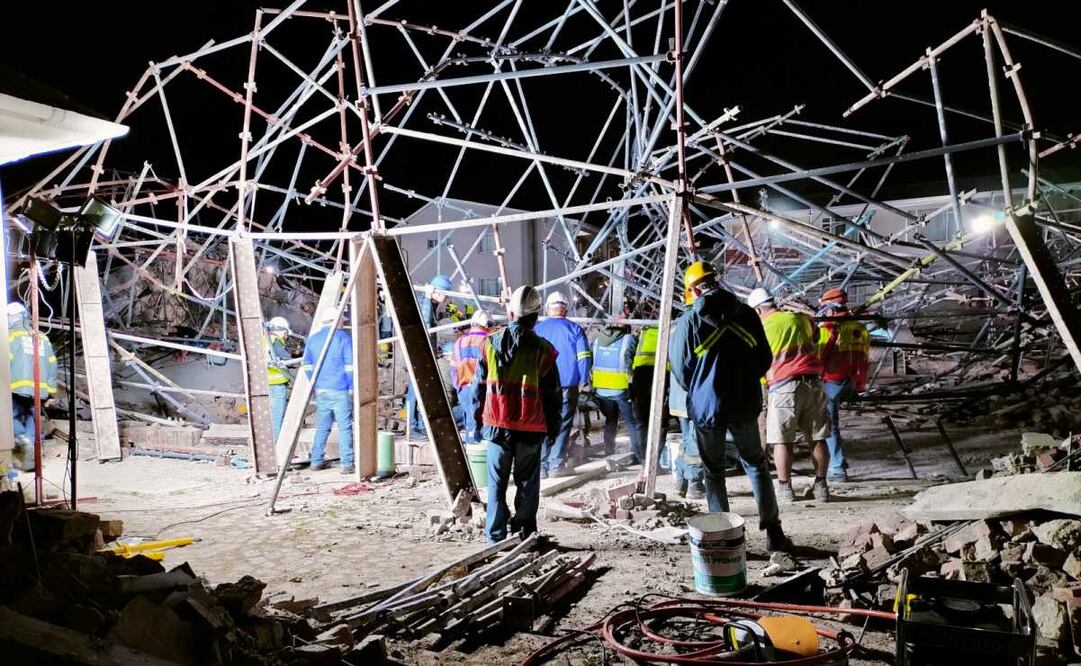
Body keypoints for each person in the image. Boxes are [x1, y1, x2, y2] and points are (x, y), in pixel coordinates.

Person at [670, 262, 790, 552]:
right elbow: (764, 358)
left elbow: (680, 368)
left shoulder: (689, 321)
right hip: (744, 404)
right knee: (756, 466)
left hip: (707, 406)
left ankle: (723, 536)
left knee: (713, 472)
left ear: (695, 289)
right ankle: (773, 532)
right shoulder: (747, 314)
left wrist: (702, 387)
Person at [469, 285, 561, 543]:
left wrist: (476, 422)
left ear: (510, 313)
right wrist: (553, 429)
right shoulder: (544, 350)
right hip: (530, 426)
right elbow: (553, 395)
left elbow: (478, 388)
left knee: (496, 484)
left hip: (497, 424)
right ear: (536, 316)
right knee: (527, 484)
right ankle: (524, 533)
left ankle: (495, 537)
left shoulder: (489, 344)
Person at [747, 287, 831, 503]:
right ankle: (821, 487)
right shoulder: (801, 318)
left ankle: (785, 489)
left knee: (782, 440)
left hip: (784, 387)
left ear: (757, 310)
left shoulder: (761, 327)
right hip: (814, 384)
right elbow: (817, 334)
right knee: (817, 437)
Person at [533, 291, 591, 477]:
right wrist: (584, 380)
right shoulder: (575, 330)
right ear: (565, 308)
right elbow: (583, 358)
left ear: (548, 308)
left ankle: (541, 466)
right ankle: (556, 464)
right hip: (568, 383)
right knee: (563, 423)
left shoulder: (538, 330)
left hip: (541, 384)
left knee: (542, 422)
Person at [817, 288, 870, 482]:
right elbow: (864, 359)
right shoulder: (859, 328)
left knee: (829, 425)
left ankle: (837, 468)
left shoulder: (830, 328)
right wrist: (859, 386)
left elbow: (819, 357)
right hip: (852, 382)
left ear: (830, 308)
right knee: (832, 423)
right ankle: (838, 463)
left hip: (832, 381)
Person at [301, 313, 354, 474]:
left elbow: (306, 365)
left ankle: (316, 461)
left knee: (323, 427)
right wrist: (351, 386)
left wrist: (315, 381)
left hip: (321, 390)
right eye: (342, 321)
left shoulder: (313, 339)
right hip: (340, 389)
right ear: (335, 321)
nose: (343, 324)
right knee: (345, 428)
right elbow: (350, 365)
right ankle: (347, 464)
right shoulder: (343, 338)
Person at [8, 302, 57, 471]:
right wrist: (51, 390)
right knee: (33, 421)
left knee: (10, 419)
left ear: (13, 317)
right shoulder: (42, 338)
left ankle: (23, 444)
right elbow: (52, 365)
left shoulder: (10, 336)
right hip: (39, 391)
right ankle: (31, 460)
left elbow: (5, 362)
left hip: (15, 389)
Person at [591, 321, 645, 462]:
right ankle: (639, 455)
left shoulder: (598, 339)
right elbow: (633, 361)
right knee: (631, 422)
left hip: (601, 389)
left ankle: (609, 452)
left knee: (610, 421)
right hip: (620, 389)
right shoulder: (629, 339)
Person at [407, 274, 453, 440]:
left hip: (427, 353)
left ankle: (420, 425)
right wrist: (427, 297)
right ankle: (412, 428)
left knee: (423, 391)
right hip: (418, 353)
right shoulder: (423, 302)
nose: (446, 299)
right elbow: (424, 324)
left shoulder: (433, 306)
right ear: (438, 292)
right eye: (445, 295)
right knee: (414, 392)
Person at [452, 310, 492, 442]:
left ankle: (471, 455)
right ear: (487, 325)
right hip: (483, 389)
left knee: (470, 425)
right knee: (484, 426)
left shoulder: (459, 342)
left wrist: (459, 387)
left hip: (464, 388)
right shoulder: (487, 341)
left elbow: (453, 368)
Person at [264, 317, 293, 442]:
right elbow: (286, 358)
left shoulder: (264, 339)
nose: (286, 337)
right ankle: (278, 447)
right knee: (277, 418)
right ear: (281, 331)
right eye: (286, 333)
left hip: (266, 383)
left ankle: (270, 444)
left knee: (270, 418)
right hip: (277, 384)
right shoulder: (275, 341)